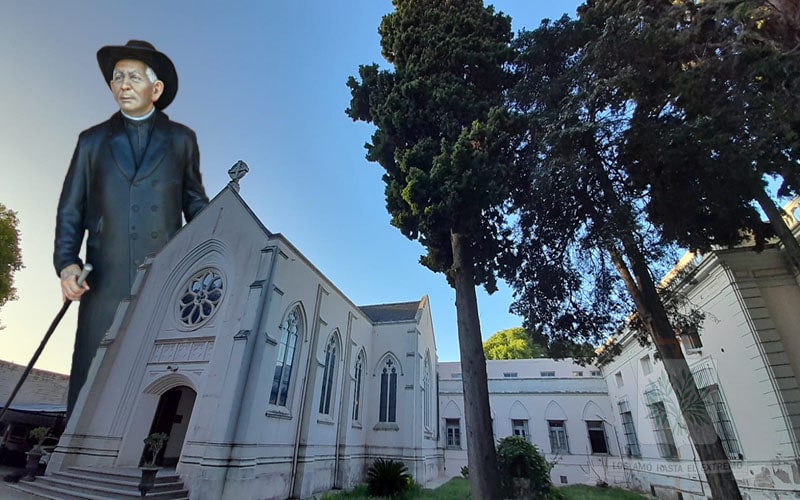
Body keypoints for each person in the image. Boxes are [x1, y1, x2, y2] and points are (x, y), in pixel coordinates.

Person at [54, 40, 209, 416]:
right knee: (91, 371)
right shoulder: (91, 142)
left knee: (149, 369)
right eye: (117, 77)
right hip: (104, 274)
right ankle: (71, 453)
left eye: (133, 77)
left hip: (161, 277)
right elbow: (71, 210)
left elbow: (195, 203)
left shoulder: (181, 141)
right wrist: (67, 264)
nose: (122, 84)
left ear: (155, 89)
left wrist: (216, 238)